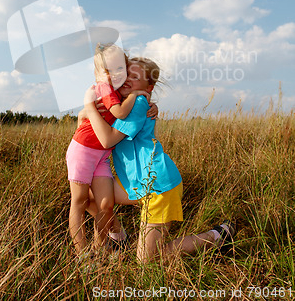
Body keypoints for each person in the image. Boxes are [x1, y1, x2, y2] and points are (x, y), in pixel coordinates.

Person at [84, 57, 236, 262]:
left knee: (147, 262)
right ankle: (119, 239)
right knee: (90, 196)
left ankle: (216, 236)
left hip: (158, 187)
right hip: (137, 183)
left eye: (136, 77)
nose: (128, 79)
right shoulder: (123, 104)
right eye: (127, 74)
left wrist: (90, 108)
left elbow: (107, 140)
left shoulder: (137, 103)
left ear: (149, 87)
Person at [66, 44, 152, 258]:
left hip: (102, 155)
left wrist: (150, 102)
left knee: (105, 203)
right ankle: (83, 254)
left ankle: (100, 248)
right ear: (96, 74)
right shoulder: (103, 88)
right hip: (84, 150)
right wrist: (137, 94)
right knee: (79, 201)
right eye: (106, 70)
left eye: (118, 69)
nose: (112, 74)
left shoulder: (117, 92)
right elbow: (121, 114)